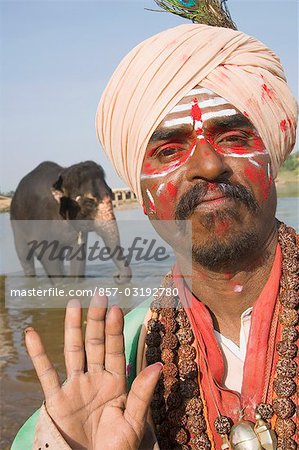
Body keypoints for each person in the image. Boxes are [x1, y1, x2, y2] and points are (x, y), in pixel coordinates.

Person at [12, 16, 298, 450]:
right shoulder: (119, 359)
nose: (206, 165)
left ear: (272, 162)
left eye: (234, 136)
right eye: (168, 150)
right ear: (143, 198)